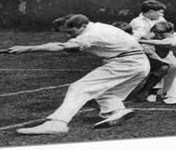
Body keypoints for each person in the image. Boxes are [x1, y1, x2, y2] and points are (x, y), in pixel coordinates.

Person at [13, 14, 150, 134]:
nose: (68, 35)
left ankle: (57, 123)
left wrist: (27, 48)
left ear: (82, 25)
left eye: (70, 32)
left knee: (79, 88)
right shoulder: (99, 27)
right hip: (141, 64)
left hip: (127, 62)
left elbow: (62, 46)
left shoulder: (92, 34)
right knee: (106, 93)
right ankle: (118, 111)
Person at [129, 0, 176, 102]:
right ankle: (152, 92)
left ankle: (165, 91)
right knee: (161, 67)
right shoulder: (137, 22)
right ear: (151, 12)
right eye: (160, 12)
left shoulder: (159, 18)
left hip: (162, 46)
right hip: (147, 48)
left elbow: (167, 29)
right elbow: (140, 37)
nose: (162, 14)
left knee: (174, 66)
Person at [111, 22, 170, 101]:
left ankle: (144, 91)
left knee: (163, 67)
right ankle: (114, 93)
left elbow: (147, 44)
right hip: (122, 59)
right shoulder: (110, 39)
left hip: (140, 57)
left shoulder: (138, 35)